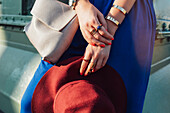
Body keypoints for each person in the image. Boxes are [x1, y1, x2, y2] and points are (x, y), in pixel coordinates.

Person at [20, 0, 156, 113]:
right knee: (31, 104)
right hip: (75, 13)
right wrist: (81, 4)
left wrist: (107, 31)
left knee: (117, 104)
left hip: (124, 14)